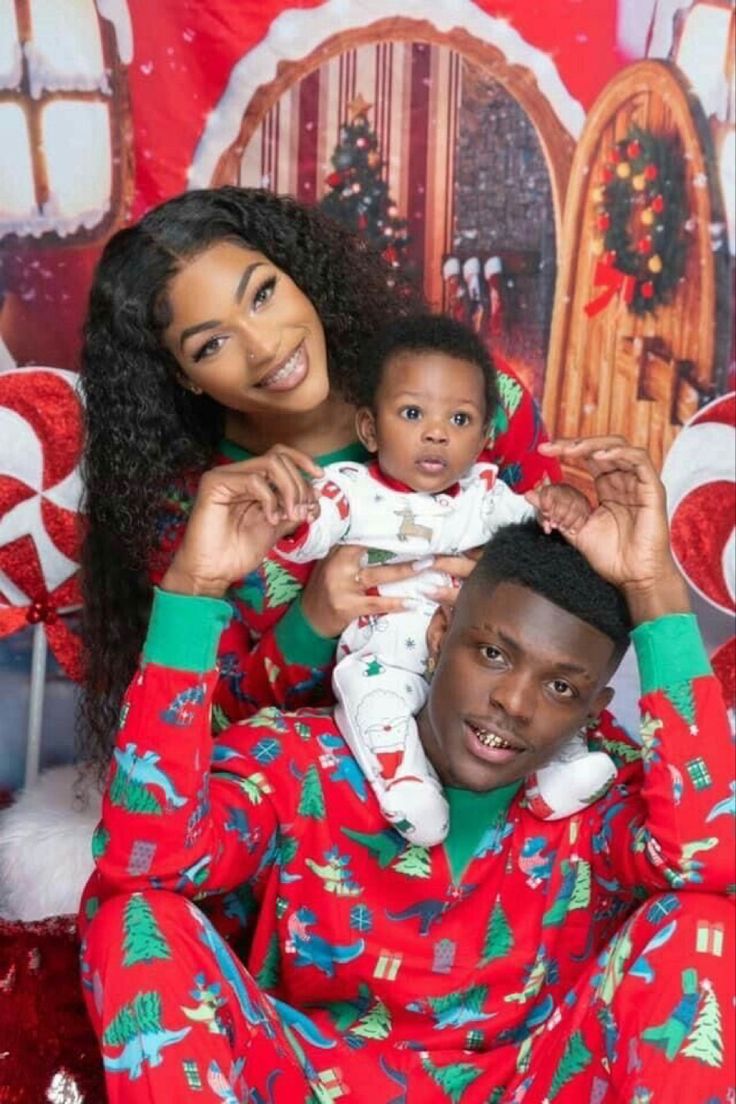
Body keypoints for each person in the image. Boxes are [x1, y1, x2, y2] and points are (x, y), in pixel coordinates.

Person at [79, 435, 734, 1104]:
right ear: (438, 631)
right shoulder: (297, 761)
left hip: (529, 1086)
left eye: (561, 688)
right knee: (137, 917)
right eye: (494, 655)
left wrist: (653, 589)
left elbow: (711, 862)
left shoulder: (600, 800)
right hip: (311, 1083)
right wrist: (194, 588)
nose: (513, 702)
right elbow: (143, 861)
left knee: (701, 923)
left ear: (595, 709)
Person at [79, 187, 561, 781]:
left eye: (262, 294)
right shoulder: (193, 510)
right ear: (185, 377)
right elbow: (192, 742)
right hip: (314, 822)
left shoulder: (469, 403)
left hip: (510, 788)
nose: (264, 347)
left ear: (298, 273)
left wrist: (507, 582)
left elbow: (583, 589)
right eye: (212, 344)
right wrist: (310, 622)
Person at [276, 314, 612, 846]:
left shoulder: (483, 492)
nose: (436, 432)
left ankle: (562, 770)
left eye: (459, 420)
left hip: (471, 652)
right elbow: (314, 528)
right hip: (387, 641)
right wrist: (294, 517)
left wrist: (560, 506)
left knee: (540, 684)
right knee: (375, 695)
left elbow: (535, 535)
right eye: (413, 413)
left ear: (483, 439)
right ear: (370, 428)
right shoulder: (353, 489)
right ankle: (402, 780)